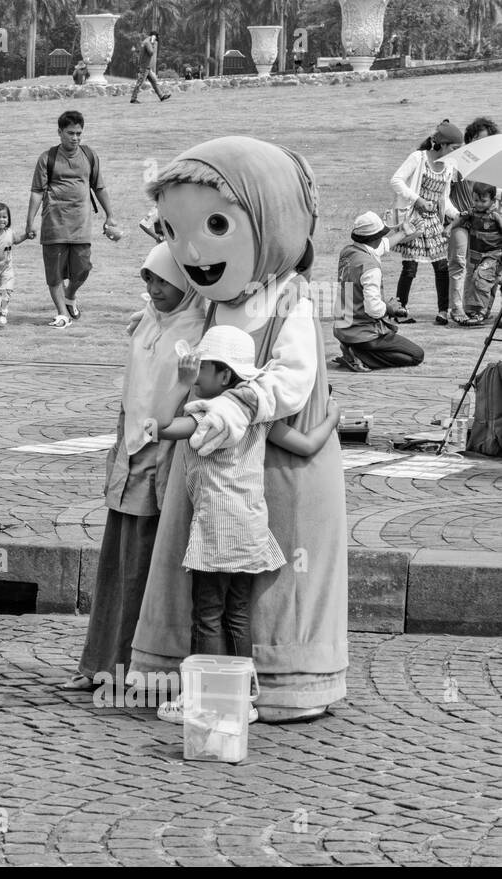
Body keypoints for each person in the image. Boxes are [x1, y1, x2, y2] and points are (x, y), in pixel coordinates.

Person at [131, 136, 347, 724]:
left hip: (272, 464)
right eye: (176, 231)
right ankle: (198, 681)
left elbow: (294, 378)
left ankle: (279, 681)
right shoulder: (216, 303)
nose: (192, 250)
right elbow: (171, 301)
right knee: (207, 587)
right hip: (211, 470)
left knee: (253, 593)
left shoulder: (289, 301)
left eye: (216, 224)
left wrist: (237, 404)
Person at [144, 326, 341, 724]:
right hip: (250, 528)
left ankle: (204, 697)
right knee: (236, 615)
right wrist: (332, 417)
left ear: (224, 375)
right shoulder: (258, 415)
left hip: (215, 530)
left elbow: (159, 428)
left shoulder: (207, 414)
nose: (196, 372)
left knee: (207, 614)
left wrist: (181, 386)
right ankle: (243, 697)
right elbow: (305, 445)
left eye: (202, 367)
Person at [66, 244, 206, 692]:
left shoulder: (200, 330)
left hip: (164, 455)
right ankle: (101, 664)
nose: (155, 288)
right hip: (130, 453)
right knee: (118, 565)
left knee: (147, 566)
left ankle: (139, 670)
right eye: (149, 278)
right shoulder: (147, 320)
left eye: (164, 280)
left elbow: (191, 400)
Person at [26, 110, 121, 329]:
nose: (75, 138)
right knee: (54, 273)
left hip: (81, 225)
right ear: (59, 132)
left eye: (79, 133)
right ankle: (62, 314)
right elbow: (36, 192)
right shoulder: (47, 158)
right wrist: (29, 222)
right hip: (54, 223)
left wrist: (110, 215)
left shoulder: (89, 155)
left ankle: (70, 295)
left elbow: (99, 187)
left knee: (83, 268)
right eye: (70, 133)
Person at [390, 120, 462, 325]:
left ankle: (443, 311)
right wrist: (417, 199)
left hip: (433, 222)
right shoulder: (418, 158)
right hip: (413, 220)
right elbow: (396, 180)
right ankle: (400, 308)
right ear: (443, 145)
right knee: (410, 267)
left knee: (441, 266)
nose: (456, 152)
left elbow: (444, 198)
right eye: (455, 148)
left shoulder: (450, 166)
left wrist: (458, 214)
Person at [333, 211, 425, 372]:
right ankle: (361, 356)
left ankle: (354, 350)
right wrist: (390, 308)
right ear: (375, 238)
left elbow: (383, 245)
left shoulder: (348, 252)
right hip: (363, 333)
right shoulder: (371, 268)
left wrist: (403, 232)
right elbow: (374, 309)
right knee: (416, 355)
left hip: (344, 329)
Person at [447, 117, 498, 323]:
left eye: (487, 141)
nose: (482, 145)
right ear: (469, 140)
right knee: (460, 263)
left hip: (487, 225)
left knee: (490, 267)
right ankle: (457, 308)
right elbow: (444, 195)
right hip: (463, 218)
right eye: (478, 140)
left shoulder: (493, 164)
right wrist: (457, 217)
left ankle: (482, 309)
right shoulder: (458, 162)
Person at [451, 184, 502, 325]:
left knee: (481, 280)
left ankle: (479, 311)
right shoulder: (472, 213)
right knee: (486, 283)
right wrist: (449, 228)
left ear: (493, 200)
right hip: (476, 255)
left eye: (483, 201)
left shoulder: (495, 214)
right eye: (475, 200)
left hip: (494, 255)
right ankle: (483, 311)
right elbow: (460, 219)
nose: (478, 204)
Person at [131, 32, 170, 104]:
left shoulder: (145, 41)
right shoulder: (148, 42)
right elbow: (151, 52)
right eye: (156, 38)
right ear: (153, 36)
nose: (156, 40)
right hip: (144, 67)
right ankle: (133, 99)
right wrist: (152, 43)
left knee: (154, 82)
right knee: (139, 83)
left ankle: (161, 96)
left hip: (147, 67)